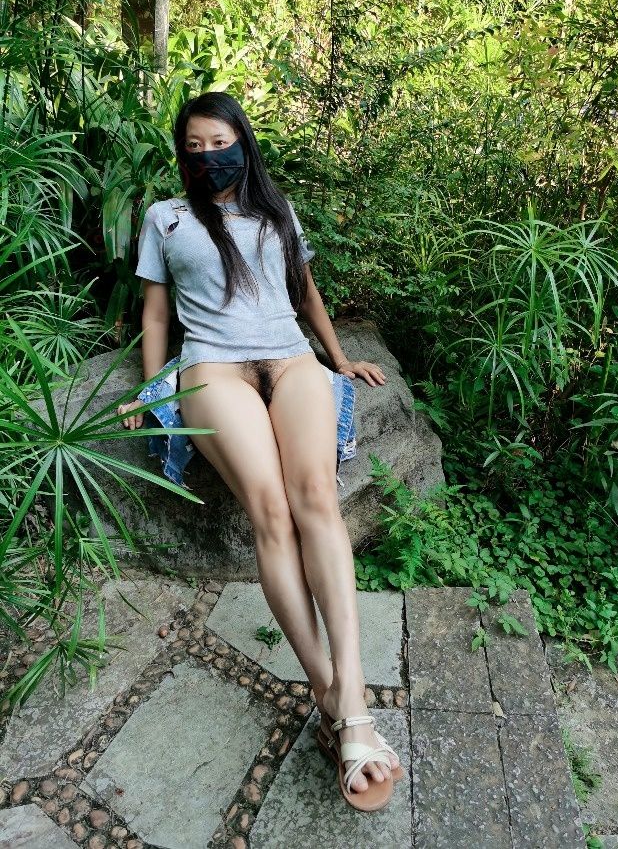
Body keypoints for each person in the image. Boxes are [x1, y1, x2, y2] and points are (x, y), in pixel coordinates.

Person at [116, 92, 403, 810]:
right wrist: (151, 384)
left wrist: (338, 359)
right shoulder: (166, 217)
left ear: (243, 141)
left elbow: (305, 291)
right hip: (213, 366)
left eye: (219, 141)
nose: (208, 155)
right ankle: (339, 699)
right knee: (270, 511)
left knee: (318, 501)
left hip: (290, 358)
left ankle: (346, 696)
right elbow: (156, 311)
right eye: (194, 146)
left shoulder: (277, 211)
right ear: (182, 155)